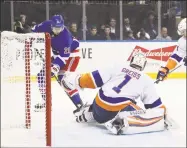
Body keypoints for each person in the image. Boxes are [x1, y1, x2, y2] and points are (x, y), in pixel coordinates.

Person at [62, 52, 173, 135]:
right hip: (116, 112)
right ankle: (119, 123)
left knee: (105, 94)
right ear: (143, 65)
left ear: (131, 61)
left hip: (98, 106)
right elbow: (154, 106)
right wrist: (164, 114)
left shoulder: (117, 66)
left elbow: (94, 79)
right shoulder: (146, 80)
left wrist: (77, 81)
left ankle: (89, 113)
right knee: (146, 115)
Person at [31, 15, 84, 113]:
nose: (57, 30)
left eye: (60, 28)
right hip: (57, 54)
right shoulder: (46, 25)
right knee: (42, 76)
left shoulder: (65, 37)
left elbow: (64, 57)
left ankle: (79, 104)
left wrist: (54, 68)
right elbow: (34, 30)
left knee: (63, 79)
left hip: (72, 54)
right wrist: (32, 39)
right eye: (55, 28)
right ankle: (46, 103)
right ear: (51, 25)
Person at [156, 18, 186, 83]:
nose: (183, 34)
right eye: (182, 32)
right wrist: (166, 69)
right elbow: (176, 57)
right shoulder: (182, 41)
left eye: (184, 31)